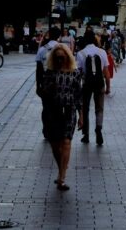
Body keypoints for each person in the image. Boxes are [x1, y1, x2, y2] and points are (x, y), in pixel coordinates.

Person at [40, 44, 83, 191]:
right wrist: (47, 88)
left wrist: (81, 115)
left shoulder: (75, 73)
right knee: (54, 144)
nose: (59, 61)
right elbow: (43, 94)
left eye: (62, 58)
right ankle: (61, 169)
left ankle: (62, 177)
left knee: (66, 142)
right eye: (57, 58)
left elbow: (79, 96)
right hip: (53, 111)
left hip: (69, 111)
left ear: (67, 57)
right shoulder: (50, 73)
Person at [76, 32, 110, 145]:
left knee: (85, 108)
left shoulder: (80, 53)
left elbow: (79, 72)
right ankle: (98, 129)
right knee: (99, 108)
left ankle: (86, 134)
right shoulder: (102, 52)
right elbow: (106, 71)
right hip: (100, 83)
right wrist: (108, 86)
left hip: (87, 84)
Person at [36, 27, 61, 139]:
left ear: (49, 35)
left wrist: (38, 85)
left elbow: (38, 69)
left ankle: (46, 129)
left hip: (46, 82)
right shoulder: (63, 49)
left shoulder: (42, 49)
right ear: (59, 36)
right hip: (60, 82)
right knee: (58, 107)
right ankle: (56, 128)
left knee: (46, 107)